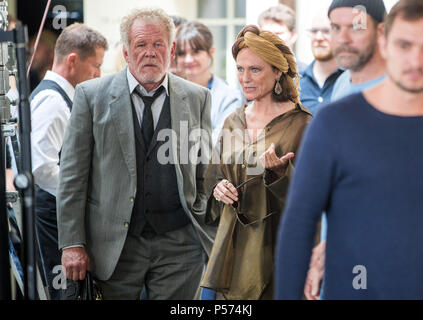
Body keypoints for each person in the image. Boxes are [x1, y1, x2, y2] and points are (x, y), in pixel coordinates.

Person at [57, 8, 215, 300]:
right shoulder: (91, 96)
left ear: (172, 50)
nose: (150, 53)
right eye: (141, 45)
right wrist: (72, 243)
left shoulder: (198, 98)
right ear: (127, 53)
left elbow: (204, 173)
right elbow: (72, 176)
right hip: (113, 245)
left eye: (158, 45)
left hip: (179, 246)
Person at [275, 0, 423, 300]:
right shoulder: (335, 117)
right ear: (387, 42)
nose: (416, 60)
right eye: (405, 45)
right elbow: (299, 224)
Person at [200, 25, 311, 300]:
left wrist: (282, 173)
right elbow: (212, 180)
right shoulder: (233, 120)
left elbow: (313, 199)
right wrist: (219, 188)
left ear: (277, 72)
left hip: (278, 250)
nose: (245, 78)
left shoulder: (302, 124)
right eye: (240, 69)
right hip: (232, 251)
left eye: (255, 70)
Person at [303, 0, 388, 300]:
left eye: (356, 27)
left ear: (382, 31)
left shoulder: (403, 91)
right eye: (335, 28)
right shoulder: (342, 86)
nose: (343, 38)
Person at [30, 23, 107, 300]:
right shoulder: (52, 100)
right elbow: (41, 167)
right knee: (65, 294)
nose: (98, 73)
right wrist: (80, 195)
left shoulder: (64, 97)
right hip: (53, 216)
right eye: (95, 65)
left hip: (59, 214)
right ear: (73, 60)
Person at [175, 21, 244, 145]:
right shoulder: (169, 93)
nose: (188, 59)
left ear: (211, 52)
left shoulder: (230, 98)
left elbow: (220, 144)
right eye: (182, 53)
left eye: (196, 52)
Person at [299, 8, 344, 115]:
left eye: (326, 31)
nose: (318, 37)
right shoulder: (295, 82)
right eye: (314, 31)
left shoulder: (350, 80)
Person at [258, 4, 307, 72]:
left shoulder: (307, 75)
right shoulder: (250, 72)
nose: (272, 39)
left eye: (278, 33)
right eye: (266, 34)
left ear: (293, 35)